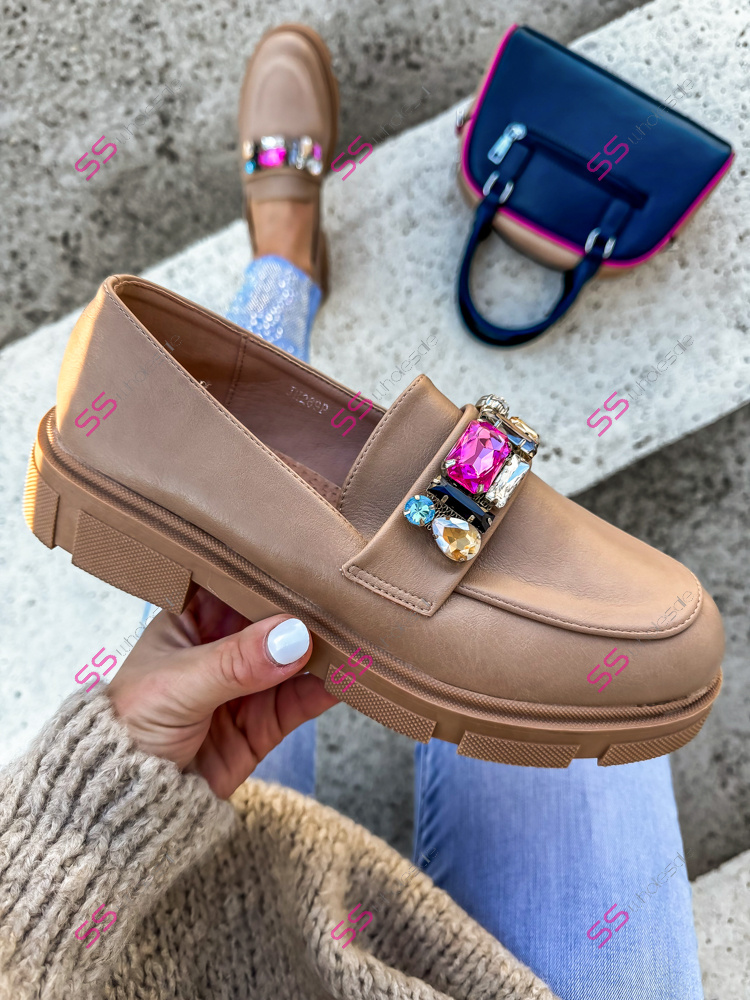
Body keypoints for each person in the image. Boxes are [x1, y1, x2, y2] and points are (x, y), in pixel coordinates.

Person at [0, 25, 706, 1000]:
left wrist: (89, 820)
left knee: (259, 624)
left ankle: (281, 269)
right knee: (588, 663)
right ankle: (270, 280)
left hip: (135, 945)